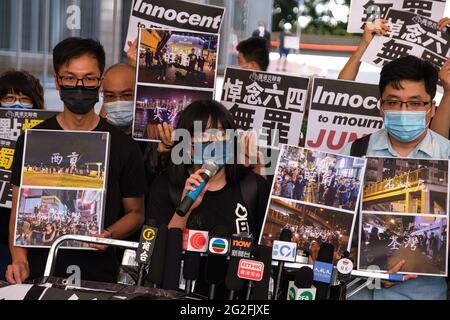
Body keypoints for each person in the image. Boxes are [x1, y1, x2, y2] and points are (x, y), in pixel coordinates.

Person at [6, 37, 147, 284]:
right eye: (70, 78)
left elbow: (136, 212)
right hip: (39, 273)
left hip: (100, 275)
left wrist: (108, 235)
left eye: (89, 78)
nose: (79, 85)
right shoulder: (31, 140)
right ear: (58, 82)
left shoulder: (124, 146)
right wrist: (19, 259)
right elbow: (17, 213)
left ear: (99, 83)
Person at [342, 55, 450, 300]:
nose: (404, 111)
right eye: (394, 102)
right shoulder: (354, 152)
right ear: (380, 106)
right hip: (355, 292)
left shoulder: (447, 157)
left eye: (414, 103)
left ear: (431, 108)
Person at [148, 100, 270, 299]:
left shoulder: (253, 186)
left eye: (221, 133)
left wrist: (259, 165)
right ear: (188, 146)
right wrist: (185, 208)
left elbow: (264, 246)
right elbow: (156, 254)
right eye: (203, 133)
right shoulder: (166, 186)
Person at [0, 70, 45, 281]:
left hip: (24, 243)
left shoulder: (46, 136)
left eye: (25, 99)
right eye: (9, 98)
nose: (16, 104)